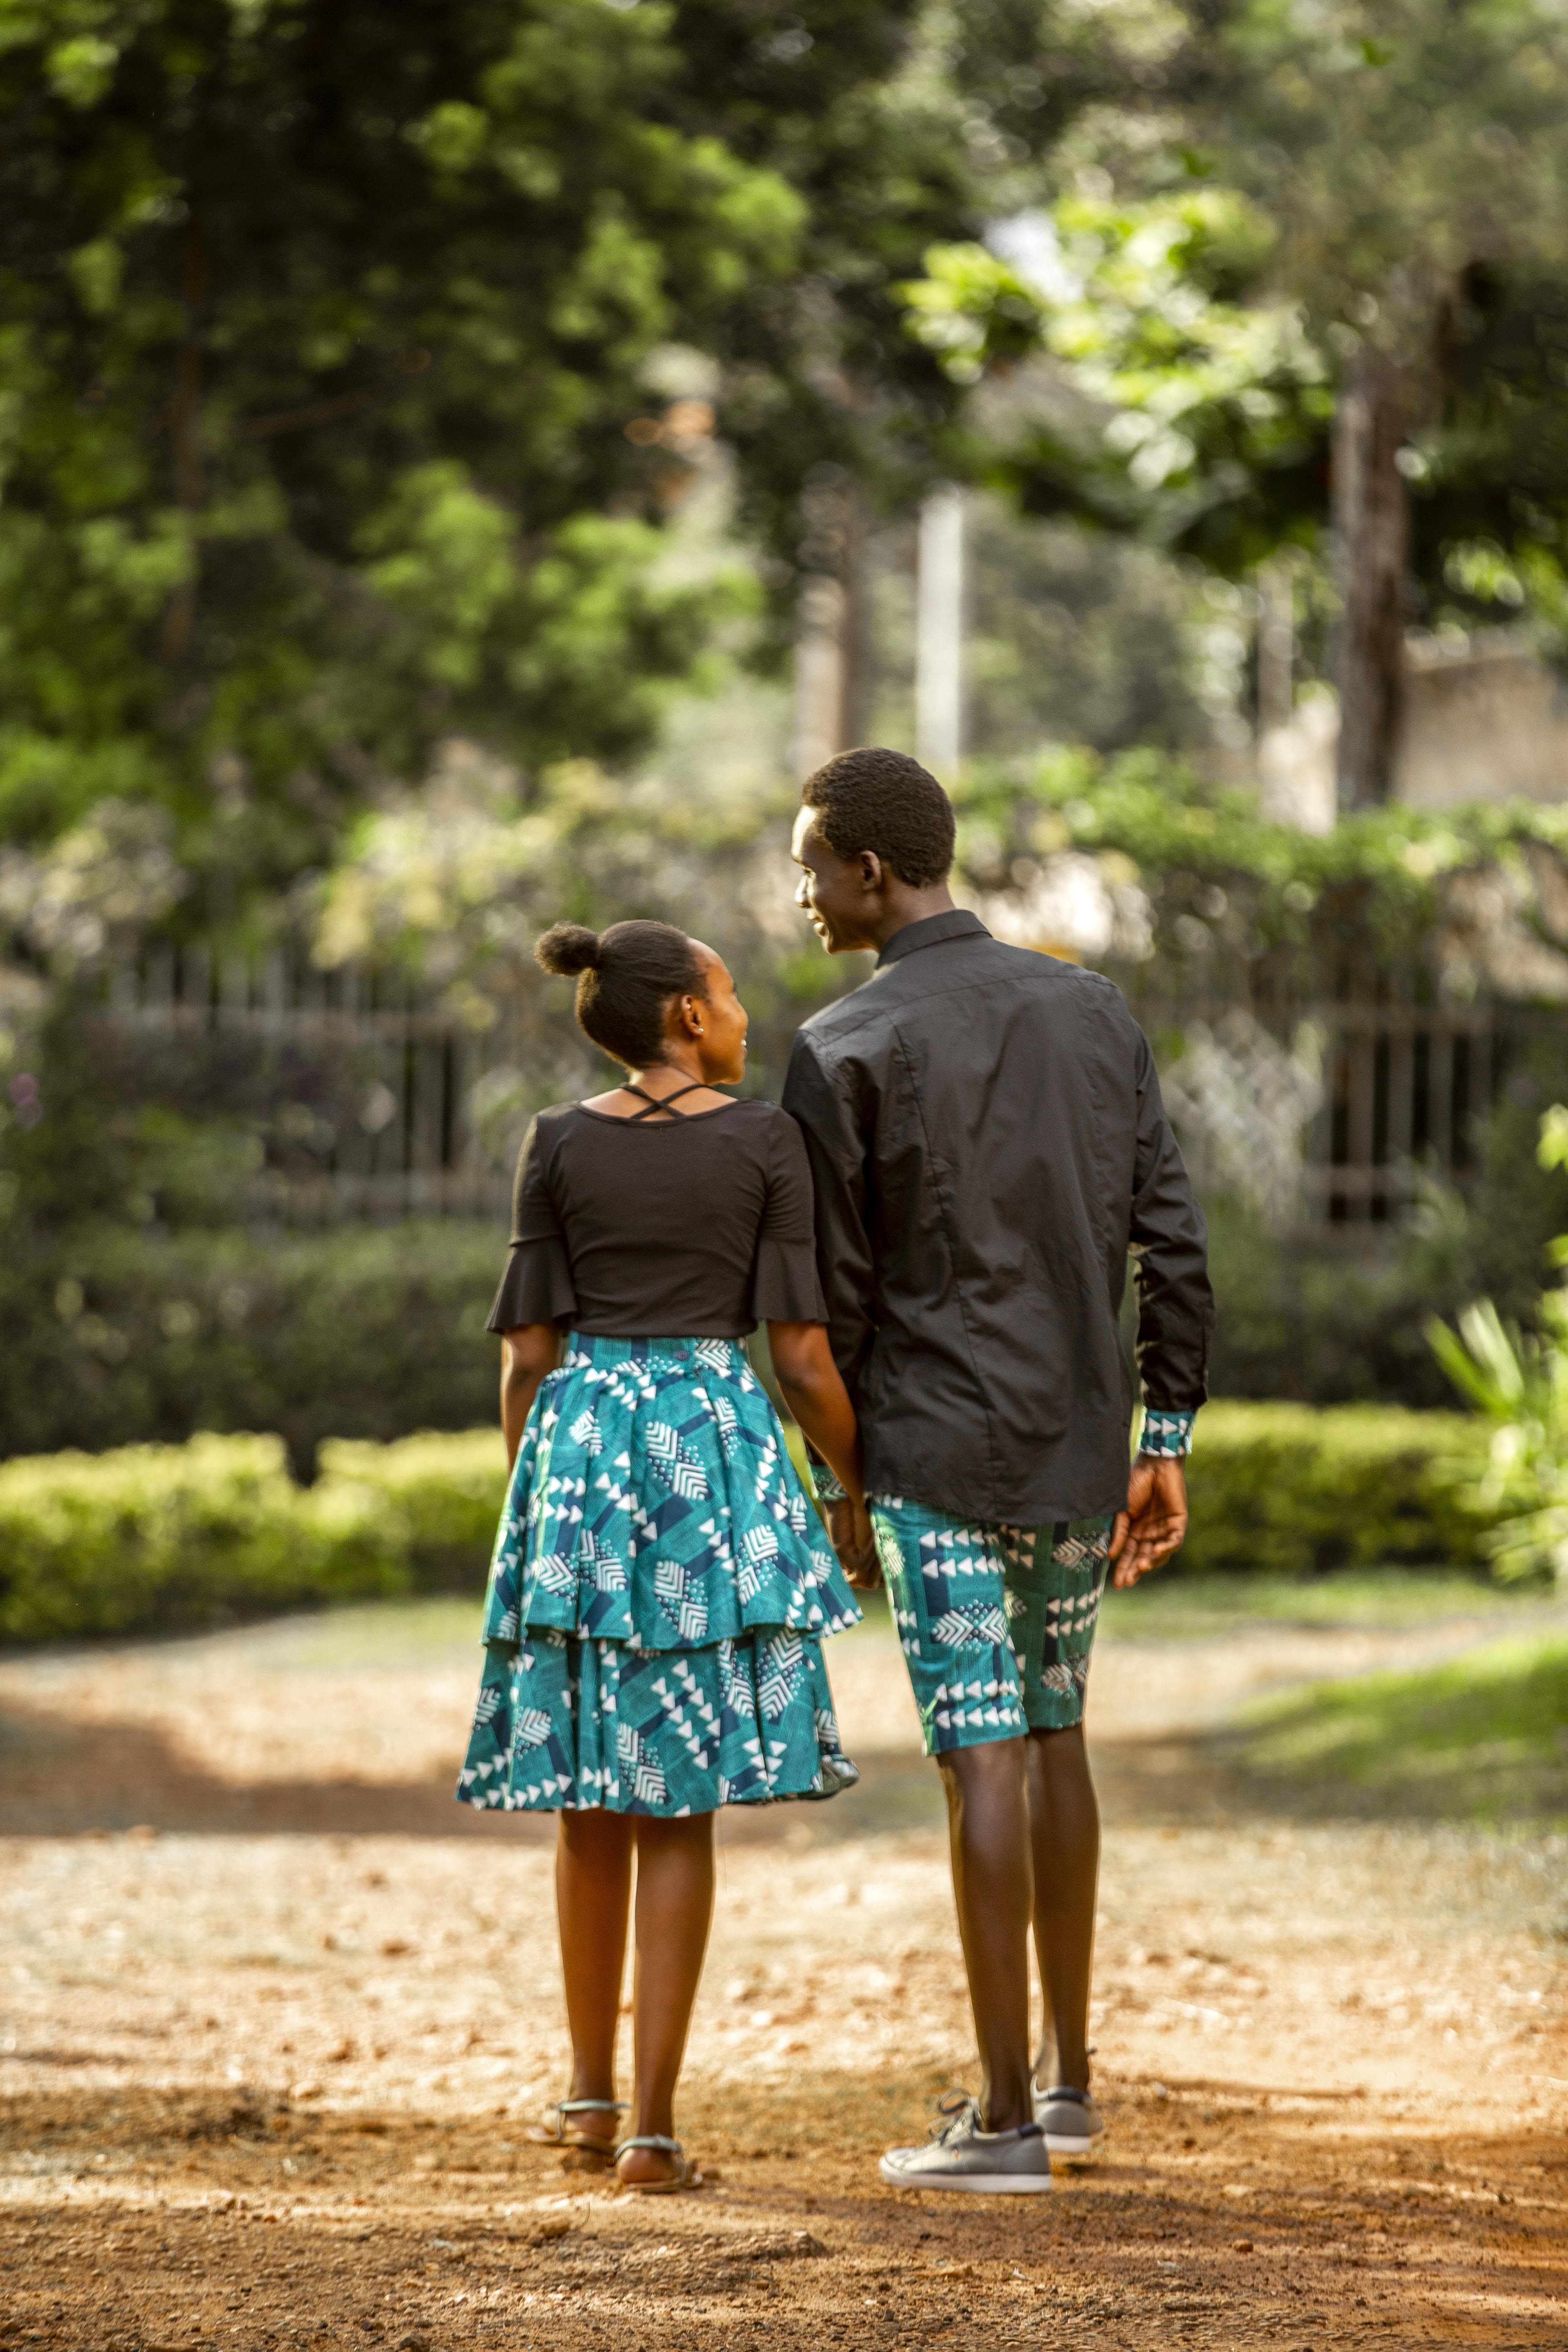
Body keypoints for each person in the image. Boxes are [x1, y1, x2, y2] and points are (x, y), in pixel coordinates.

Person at [782, 747, 1213, 2196]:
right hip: (1086, 1445)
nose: (800, 893)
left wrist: (848, 1481)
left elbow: (824, 1313)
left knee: (979, 1753)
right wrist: (1163, 1443)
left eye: (810, 865)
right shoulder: (1093, 1010)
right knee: (1056, 1736)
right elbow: (1178, 1248)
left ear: (870, 866)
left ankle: (1003, 2123)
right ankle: (1073, 2088)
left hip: (933, 1454)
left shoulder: (839, 1046)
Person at [456, 916, 871, 2193]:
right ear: (687, 1015)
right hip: (708, 1446)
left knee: (589, 1794)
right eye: (732, 992)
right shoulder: (763, 1141)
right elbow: (799, 1355)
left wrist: (534, 1487)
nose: (746, 1012)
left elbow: (527, 1354)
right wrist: (855, 1484)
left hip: (582, 1450)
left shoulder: (557, 1141)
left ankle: (585, 2101)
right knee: (676, 1800)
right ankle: (652, 2130)